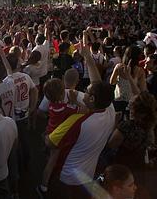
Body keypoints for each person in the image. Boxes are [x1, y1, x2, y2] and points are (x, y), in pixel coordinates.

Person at [46, 30, 116, 199]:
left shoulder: (79, 120)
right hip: (88, 174)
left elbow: (50, 142)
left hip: (68, 176)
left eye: (87, 92)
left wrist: (46, 133)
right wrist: (88, 57)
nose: (84, 92)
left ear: (91, 99)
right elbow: (97, 84)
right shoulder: (109, 109)